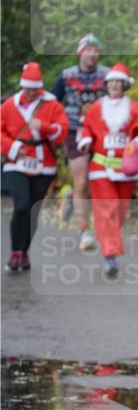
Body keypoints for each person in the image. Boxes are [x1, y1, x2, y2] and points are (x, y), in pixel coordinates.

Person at [75, 63, 138, 279]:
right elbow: (85, 129)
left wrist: (136, 145)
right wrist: (86, 141)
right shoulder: (97, 108)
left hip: (126, 170)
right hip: (101, 167)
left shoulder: (135, 109)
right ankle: (110, 257)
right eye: (112, 81)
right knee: (107, 208)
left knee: (120, 211)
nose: (115, 85)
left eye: (119, 82)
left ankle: (109, 244)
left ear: (124, 85)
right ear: (107, 84)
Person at [1, 62, 68, 271]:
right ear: (22, 86)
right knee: (21, 205)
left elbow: (62, 131)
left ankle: (25, 252)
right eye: (27, 88)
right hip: (16, 163)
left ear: (40, 87)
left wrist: (44, 127)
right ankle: (15, 252)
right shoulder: (9, 105)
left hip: (43, 164)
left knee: (32, 210)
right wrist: (12, 147)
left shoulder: (51, 104)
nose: (30, 92)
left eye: (34, 88)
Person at [51, 33, 109, 252]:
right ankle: (85, 231)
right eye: (88, 49)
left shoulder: (108, 75)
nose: (92, 54)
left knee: (99, 182)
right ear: (80, 52)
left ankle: (70, 196)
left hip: (100, 134)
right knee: (82, 181)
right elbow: (51, 102)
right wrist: (56, 126)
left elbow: (121, 100)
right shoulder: (66, 76)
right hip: (75, 132)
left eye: (96, 50)